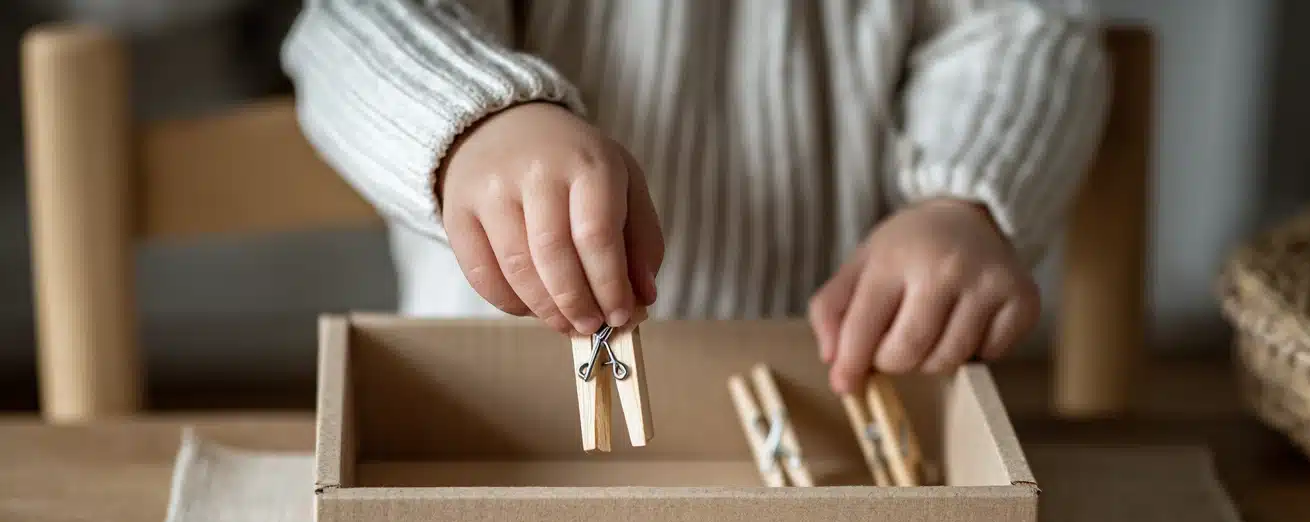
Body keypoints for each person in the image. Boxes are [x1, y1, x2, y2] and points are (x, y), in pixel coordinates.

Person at [282, 0, 1108, 394]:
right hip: (488, 398)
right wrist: (473, 124)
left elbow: (1027, 27)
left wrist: (961, 202)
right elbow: (352, 23)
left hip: (846, 398)